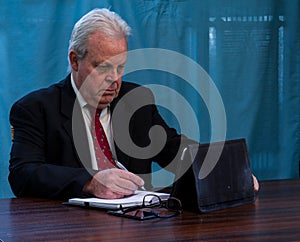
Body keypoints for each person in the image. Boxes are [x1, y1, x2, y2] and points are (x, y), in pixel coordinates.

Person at [9, 8, 259, 200]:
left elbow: (173, 149)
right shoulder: (35, 109)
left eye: (120, 68)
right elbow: (23, 175)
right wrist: (90, 181)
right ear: (75, 61)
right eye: (103, 67)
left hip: (136, 224)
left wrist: (227, 172)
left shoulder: (136, 100)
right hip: (69, 228)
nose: (114, 79)